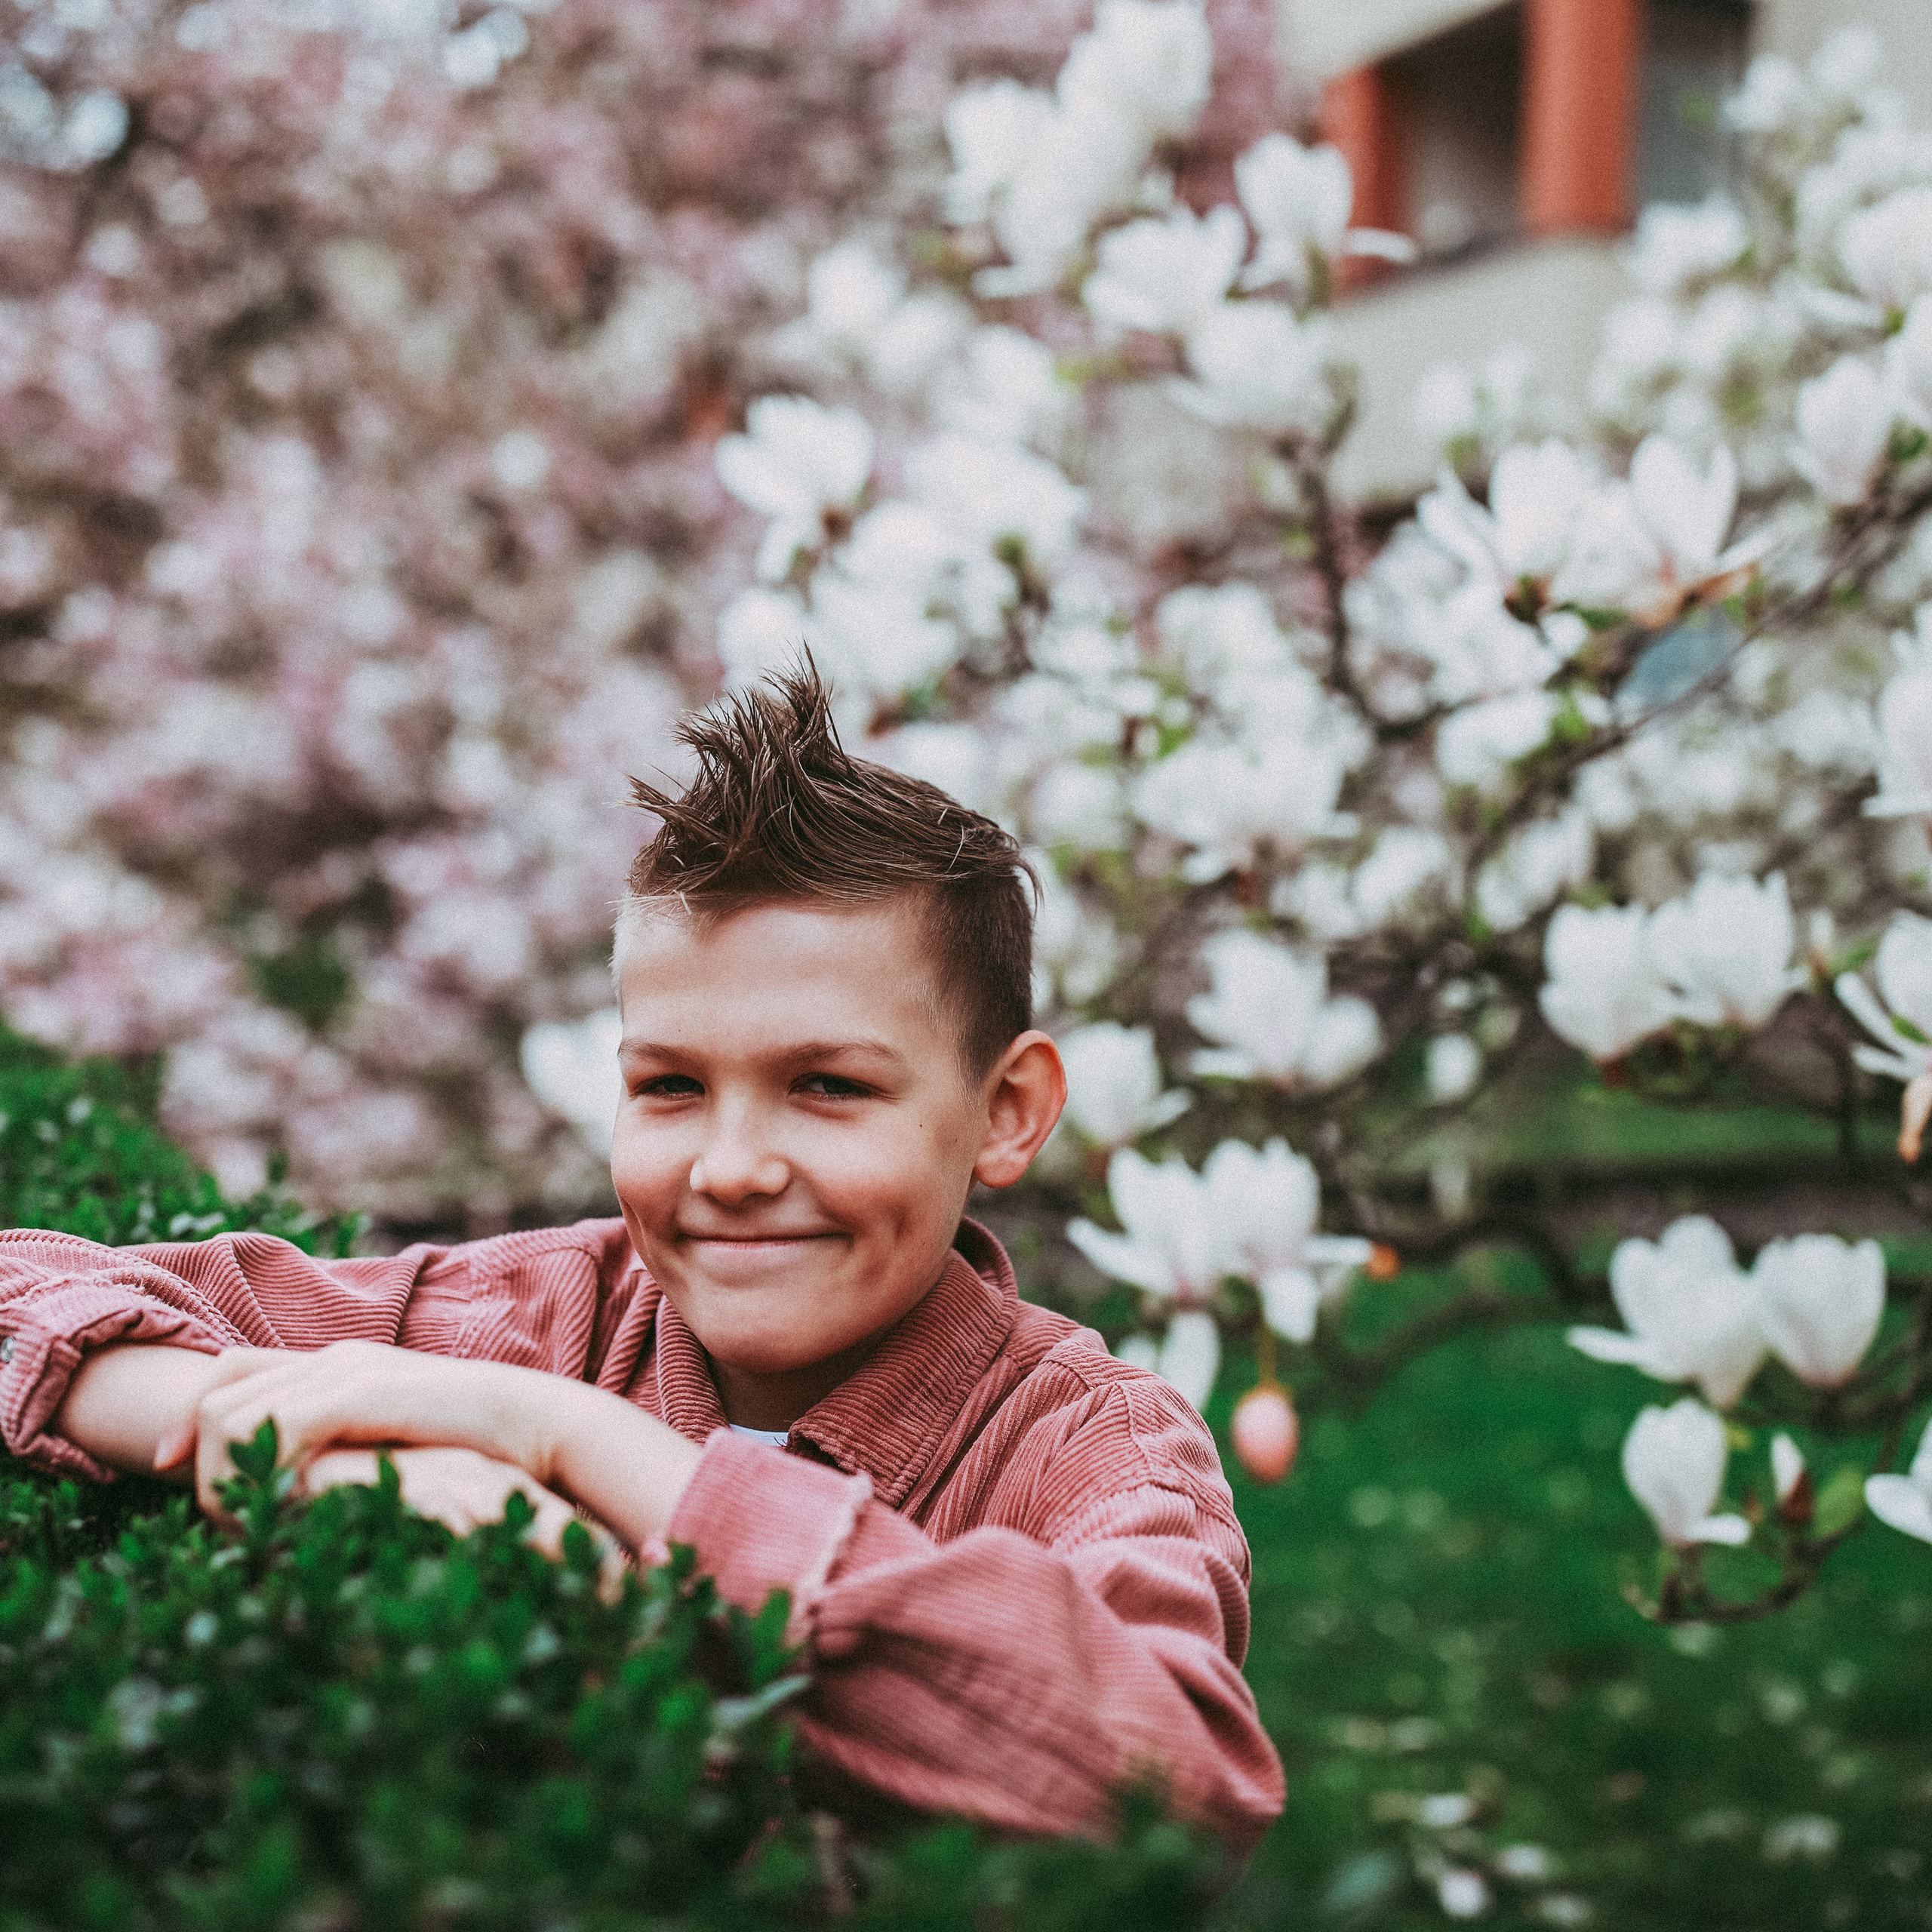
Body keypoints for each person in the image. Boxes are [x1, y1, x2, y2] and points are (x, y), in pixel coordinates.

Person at [0, 666, 1285, 1854]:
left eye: (828, 1085)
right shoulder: (536, 1309)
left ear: (1007, 1111)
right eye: (670, 1086)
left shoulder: (1090, 1448)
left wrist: (574, 1443)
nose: (729, 1167)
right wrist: (235, 1422)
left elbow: (1171, 1793)